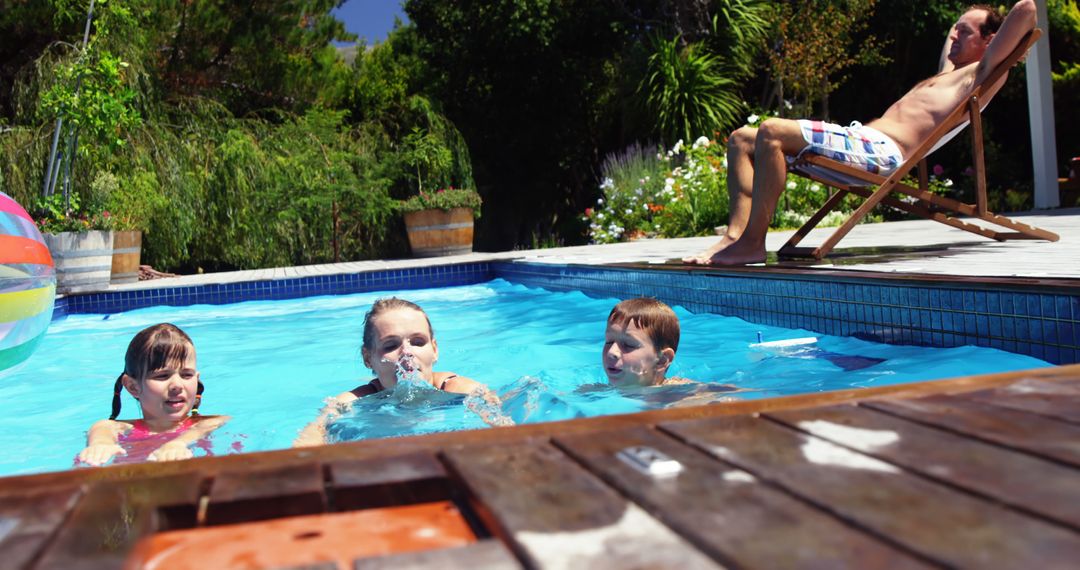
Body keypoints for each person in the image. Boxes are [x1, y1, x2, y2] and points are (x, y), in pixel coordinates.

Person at [684, 0, 1036, 266]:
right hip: (862, 141)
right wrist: (965, 25)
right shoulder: (948, 71)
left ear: (990, 42)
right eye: (955, 29)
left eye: (965, 31)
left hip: (883, 154)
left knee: (772, 131)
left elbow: (1027, 9)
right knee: (741, 138)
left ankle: (753, 242)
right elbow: (950, 41)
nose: (954, 35)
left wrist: (1000, 38)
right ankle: (735, 236)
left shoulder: (982, 75)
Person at [294, 297, 505, 447]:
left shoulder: (459, 389)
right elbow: (314, 434)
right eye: (391, 345)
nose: (407, 353)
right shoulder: (354, 401)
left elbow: (504, 430)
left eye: (418, 342)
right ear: (368, 358)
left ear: (435, 349)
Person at [77, 323, 228, 466]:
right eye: (162, 376)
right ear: (133, 386)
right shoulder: (119, 428)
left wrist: (178, 443)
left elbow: (208, 425)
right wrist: (101, 445)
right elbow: (102, 429)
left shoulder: (207, 423)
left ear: (197, 379)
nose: (177, 385)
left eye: (187, 375)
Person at [603, 297, 688, 387]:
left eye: (628, 344)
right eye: (609, 341)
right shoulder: (596, 393)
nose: (611, 352)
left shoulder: (687, 395)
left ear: (662, 360)